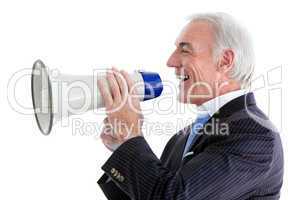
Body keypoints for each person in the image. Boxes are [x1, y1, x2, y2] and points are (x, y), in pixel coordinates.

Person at [96, 12, 284, 200]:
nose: (171, 61)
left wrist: (131, 138)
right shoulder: (182, 137)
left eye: (184, 50)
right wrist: (123, 146)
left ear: (225, 61)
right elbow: (155, 192)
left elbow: (172, 196)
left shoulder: (256, 136)